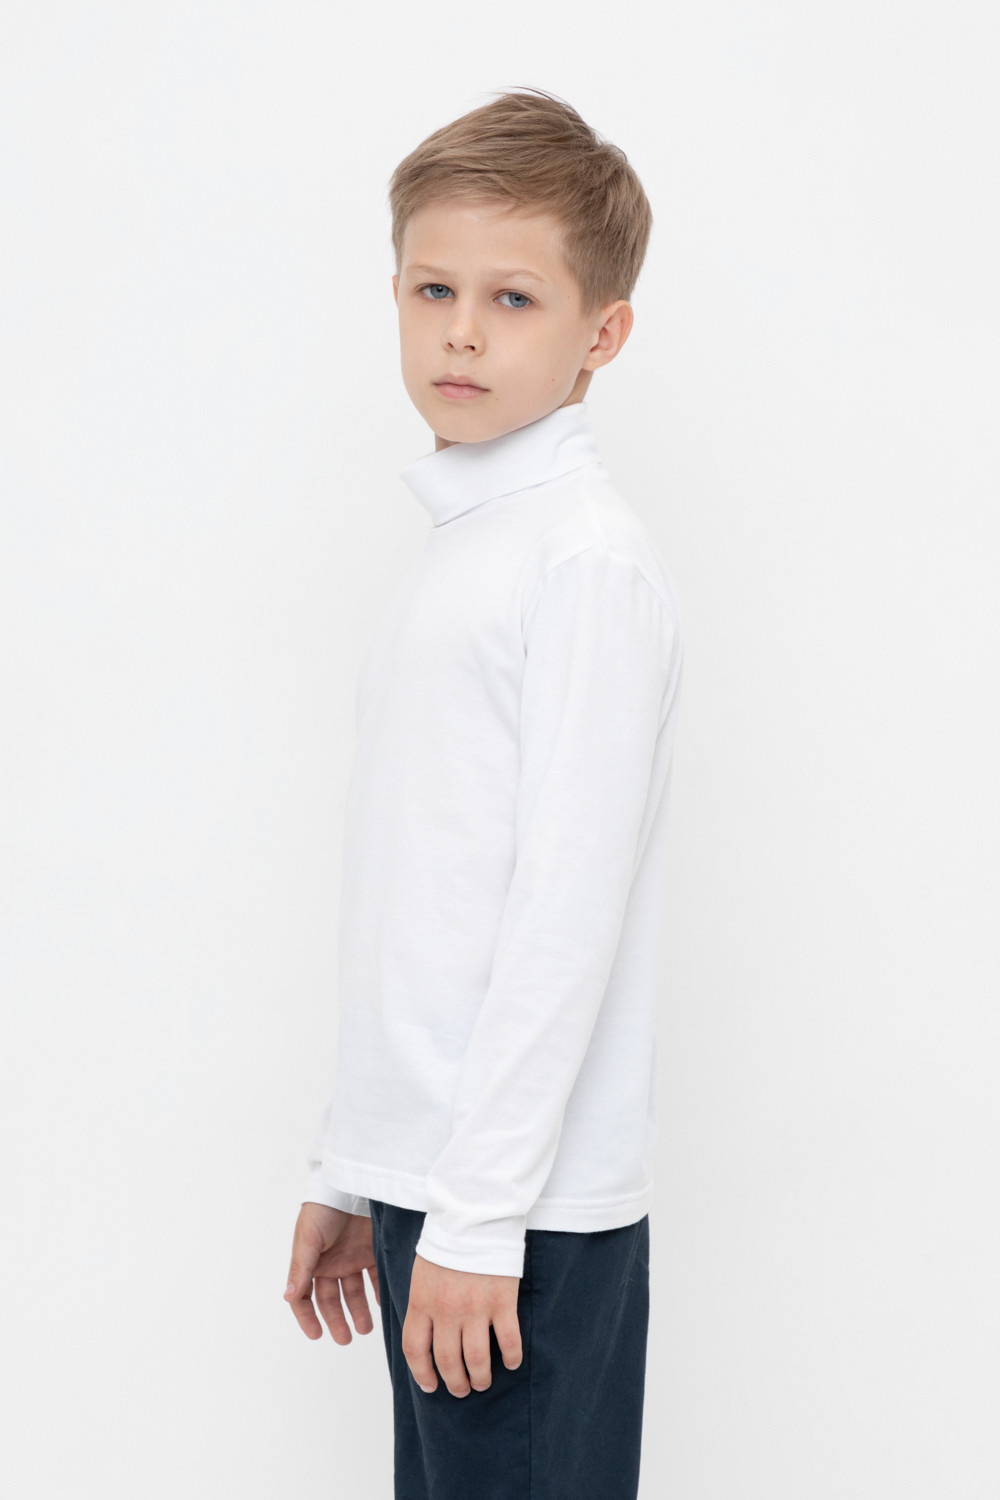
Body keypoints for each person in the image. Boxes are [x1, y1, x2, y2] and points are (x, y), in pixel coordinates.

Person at [283, 85, 684, 1500]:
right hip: (443, 1187)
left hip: (515, 1213)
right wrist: (357, 1168)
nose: (461, 330)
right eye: (433, 288)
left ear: (601, 334)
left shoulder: (583, 561)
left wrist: (474, 1219)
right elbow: (425, 895)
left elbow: (563, 913)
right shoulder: (470, 547)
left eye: (514, 298)